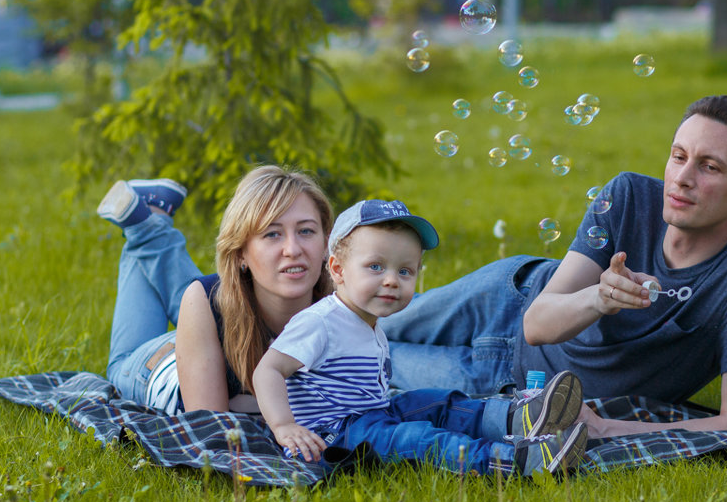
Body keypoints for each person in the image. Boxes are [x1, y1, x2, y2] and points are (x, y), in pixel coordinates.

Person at [379, 95, 727, 438]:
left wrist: (606, 427)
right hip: (506, 298)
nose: (681, 178)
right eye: (678, 157)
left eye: (709, 167)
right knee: (363, 315)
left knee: (357, 360)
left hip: (510, 382)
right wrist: (600, 297)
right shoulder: (630, 197)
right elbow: (536, 325)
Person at [251, 199, 588, 477]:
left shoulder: (368, 323)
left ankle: (518, 418)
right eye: (375, 267)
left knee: (436, 402)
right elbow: (268, 370)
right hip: (334, 436)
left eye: (404, 271)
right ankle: (515, 462)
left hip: (373, 415)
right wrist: (284, 427)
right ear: (337, 269)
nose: (391, 281)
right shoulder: (320, 322)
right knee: (418, 438)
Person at [97, 166, 333, 415]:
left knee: (209, 301)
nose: (293, 249)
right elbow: (211, 429)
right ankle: (146, 227)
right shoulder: (206, 301)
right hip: (157, 366)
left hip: (204, 337)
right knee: (119, 366)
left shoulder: (346, 305)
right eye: (272, 234)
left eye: (306, 231)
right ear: (241, 252)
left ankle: (147, 223)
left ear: (326, 243)